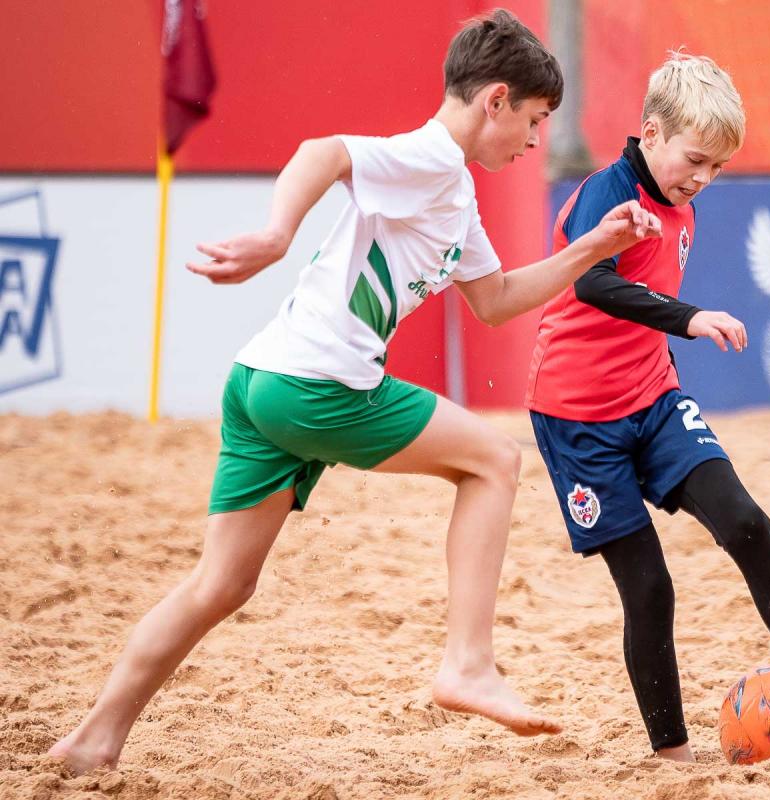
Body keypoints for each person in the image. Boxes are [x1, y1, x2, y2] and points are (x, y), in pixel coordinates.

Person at [49, 9, 661, 775]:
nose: (536, 140)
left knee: (221, 584)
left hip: (262, 381)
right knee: (495, 462)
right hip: (320, 385)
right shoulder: (431, 158)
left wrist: (594, 246)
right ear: (495, 100)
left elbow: (497, 298)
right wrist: (277, 235)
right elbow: (323, 152)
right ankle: (468, 664)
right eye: (535, 120)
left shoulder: (454, 193)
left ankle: (93, 740)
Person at [525, 52, 770, 761]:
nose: (703, 177)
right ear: (651, 133)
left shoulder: (683, 208)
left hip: (652, 398)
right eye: (695, 159)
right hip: (577, 418)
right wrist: (690, 317)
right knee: (649, 587)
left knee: (747, 522)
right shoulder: (607, 193)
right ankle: (673, 756)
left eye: (719, 167)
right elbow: (592, 285)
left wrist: (668, 348)